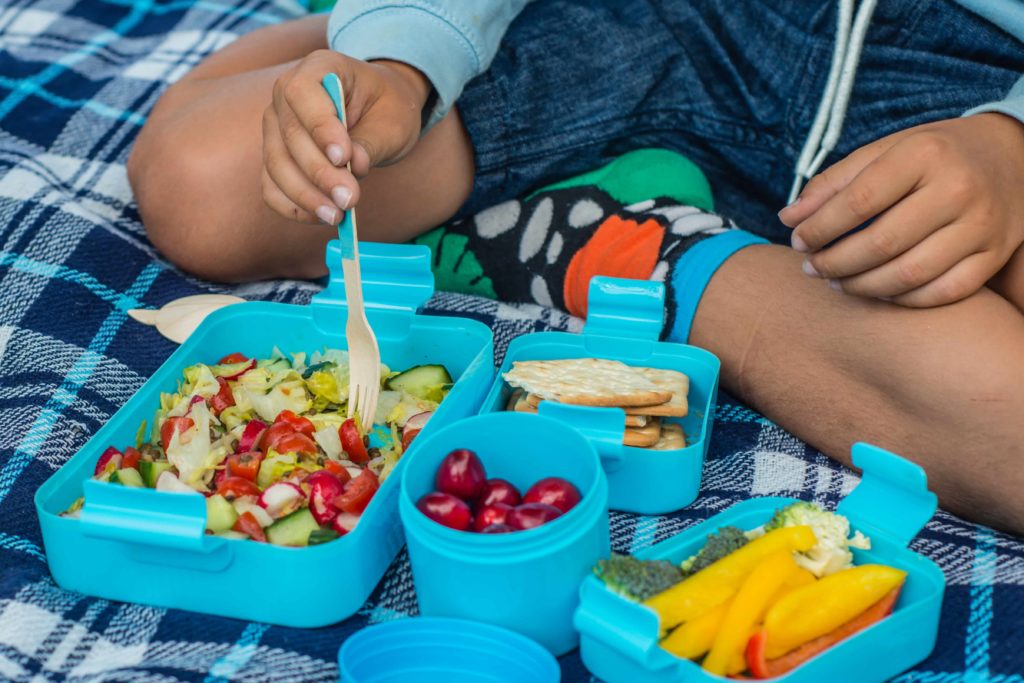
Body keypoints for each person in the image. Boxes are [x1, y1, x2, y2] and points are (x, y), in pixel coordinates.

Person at [127, 0, 1024, 534]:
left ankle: (631, 243)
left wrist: (1010, 146)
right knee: (205, 185)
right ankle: (632, 247)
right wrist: (401, 54)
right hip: (649, 26)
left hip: (973, 83)